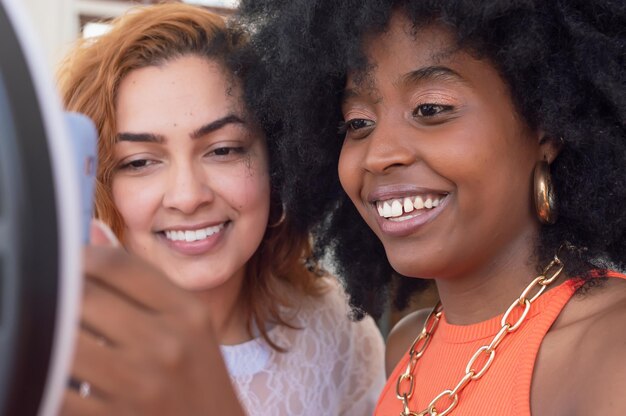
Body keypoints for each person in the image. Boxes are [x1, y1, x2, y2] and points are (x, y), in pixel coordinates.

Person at [236, 0, 626, 415]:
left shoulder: (610, 346)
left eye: (430, 109)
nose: (378, 155)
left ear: (547, 129)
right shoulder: (409, 346)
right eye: (358, 122)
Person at [57, 3, 385, 415]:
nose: (188, 195)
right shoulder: (52, 350)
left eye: (224, 150)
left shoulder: (339, 335)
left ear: (279, 164)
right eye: (139, 161)